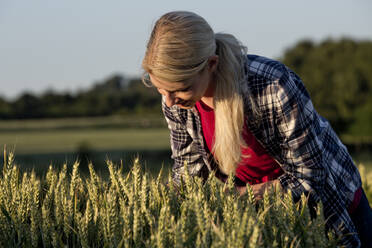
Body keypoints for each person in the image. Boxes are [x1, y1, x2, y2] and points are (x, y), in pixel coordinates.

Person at [141, 11, 372, 247]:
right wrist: (157, 208)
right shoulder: (176, 102)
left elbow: (311, 178)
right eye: (160, 90)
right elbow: (188, 172)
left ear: (211, 64)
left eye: (181, 89)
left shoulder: (272, 85)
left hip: (332, 202)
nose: (169, 102)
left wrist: (242, 198)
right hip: (265, 215)